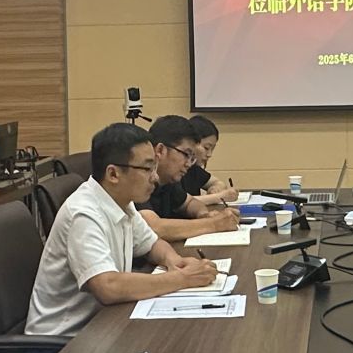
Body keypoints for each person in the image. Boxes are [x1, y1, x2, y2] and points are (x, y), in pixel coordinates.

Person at [25, 122, 220, 337]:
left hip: (102, 324)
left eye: (155, 167)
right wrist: (183, 278)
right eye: (147, 169)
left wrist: (174, 261)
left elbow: (152, 243)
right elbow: (108, 287)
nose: (155, 177)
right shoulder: (83, 213)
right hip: (62, 340)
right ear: (113, 174)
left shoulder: (122, 202)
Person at [136, 115, 240, 241]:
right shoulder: (137, 178)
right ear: (160, 150)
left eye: (192, 157)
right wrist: (214, 224)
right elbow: (154, 228)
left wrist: (204, 215)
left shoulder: (167, 180)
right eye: (186, 154)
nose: (189, 164)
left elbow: (190, 203)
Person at [180, 113, 239, 204]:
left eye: (212, 149)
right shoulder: (174, 171)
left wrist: (215, 188)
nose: (209, 154)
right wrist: (220, 197)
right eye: (206, 148)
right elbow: (180, 202)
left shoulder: (194, 168)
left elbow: (217, 182)